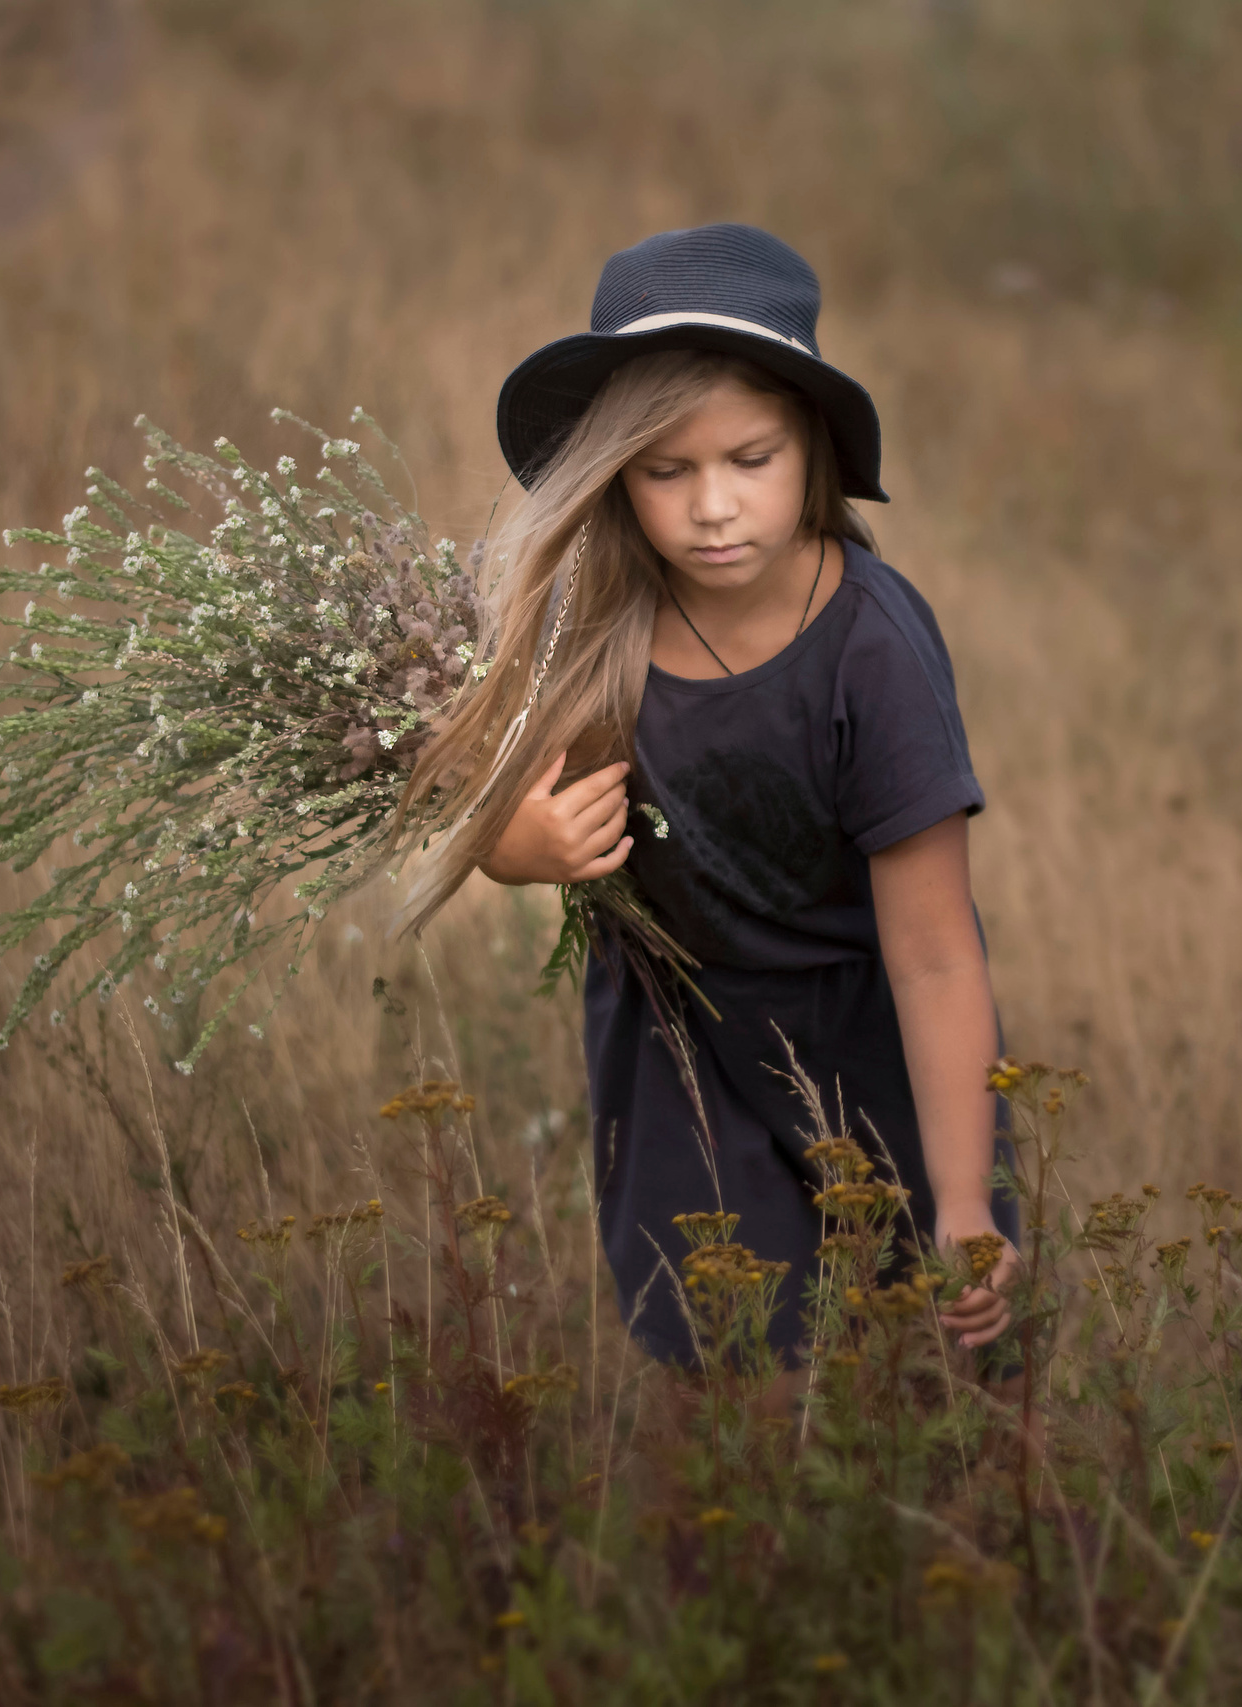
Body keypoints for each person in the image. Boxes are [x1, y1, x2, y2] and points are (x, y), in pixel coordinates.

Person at [398, 224, 1020, 1367]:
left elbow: (934, 953)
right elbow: (493, 802)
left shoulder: (868, 649)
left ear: (813, 452)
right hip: (673, 1045)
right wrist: (518, 847)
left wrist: (965, 1199)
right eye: (665, 471)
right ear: (614, 476)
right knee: (721, 1368)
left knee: (927, 1374)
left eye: (751, 459)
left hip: (867, 1042)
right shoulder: (591, 623)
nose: (712, 507)